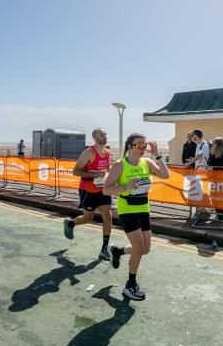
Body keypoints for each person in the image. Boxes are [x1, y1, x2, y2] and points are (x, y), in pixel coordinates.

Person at [102, 133, 169, 301]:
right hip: (127, 209)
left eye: (144, 145)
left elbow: (165, 175)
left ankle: (117, 251)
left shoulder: (147, 162)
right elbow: (106, 189)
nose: (143, 148)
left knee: (145, 249)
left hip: (143, 208)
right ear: (130, 147)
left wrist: (158, 155)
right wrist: (126, 186)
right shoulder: (120, 165)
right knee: (139, 248)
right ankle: (130, 285)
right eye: (139, 145)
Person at [63, 128, 113, 260]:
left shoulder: (108, 152)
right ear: (95, 137)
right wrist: (95, 174)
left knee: (108, 216)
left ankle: (104, 249)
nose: (104, 135)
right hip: (88, 190)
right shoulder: (89, 152)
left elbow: (107, 169)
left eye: (105, 133)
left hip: (103, 190)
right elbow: (76, 171)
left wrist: (111, 177)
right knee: (88, 218)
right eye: (101, 134)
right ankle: (70, 224)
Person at [207, 137, 223, 221]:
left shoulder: (216, 155)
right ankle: (221, 216)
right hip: (218, 182)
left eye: (213, 144)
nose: (211, 146)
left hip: (221, 182)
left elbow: (209, 166)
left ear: (217, 145)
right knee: (218, 199)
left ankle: (221, 217)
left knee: (219, 199)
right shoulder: (215, 155)